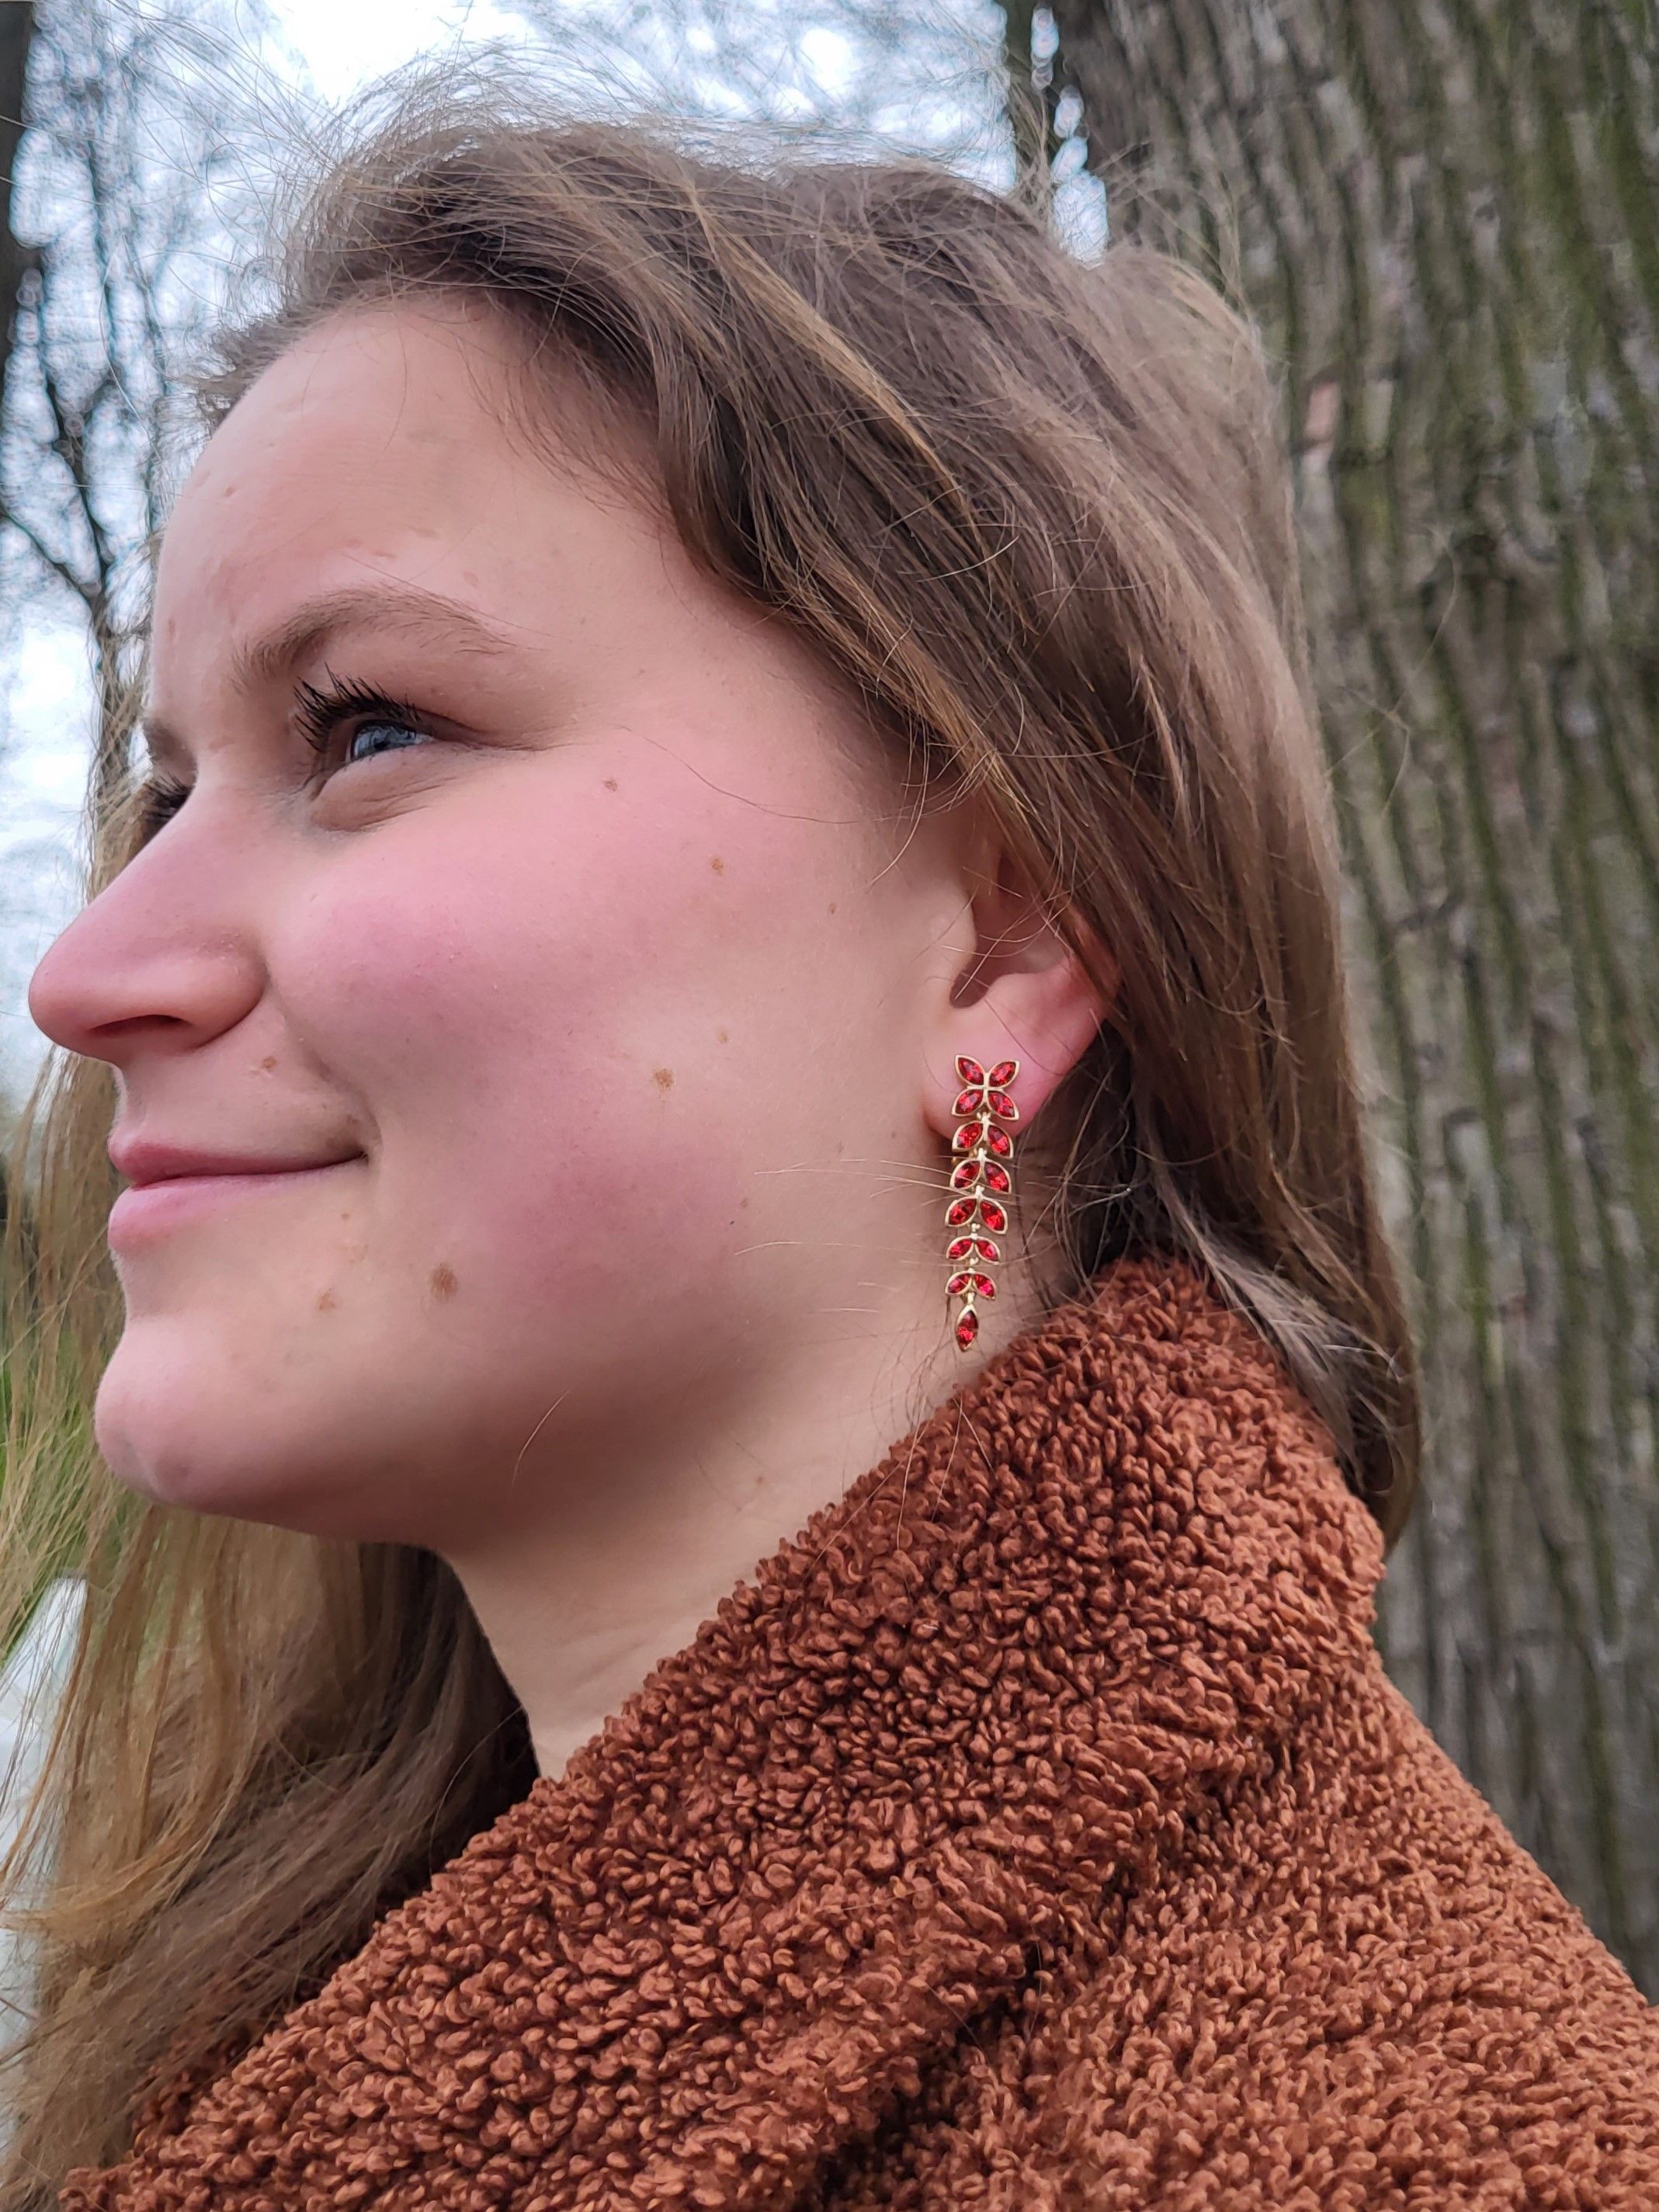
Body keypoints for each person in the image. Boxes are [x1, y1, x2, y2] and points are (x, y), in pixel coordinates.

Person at [3, 78, 1656, 2212]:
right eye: (161, 793)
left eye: (368, 728)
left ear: (998, 936)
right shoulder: (151, 1907)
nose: (91, 971)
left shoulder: (1416, 2149)